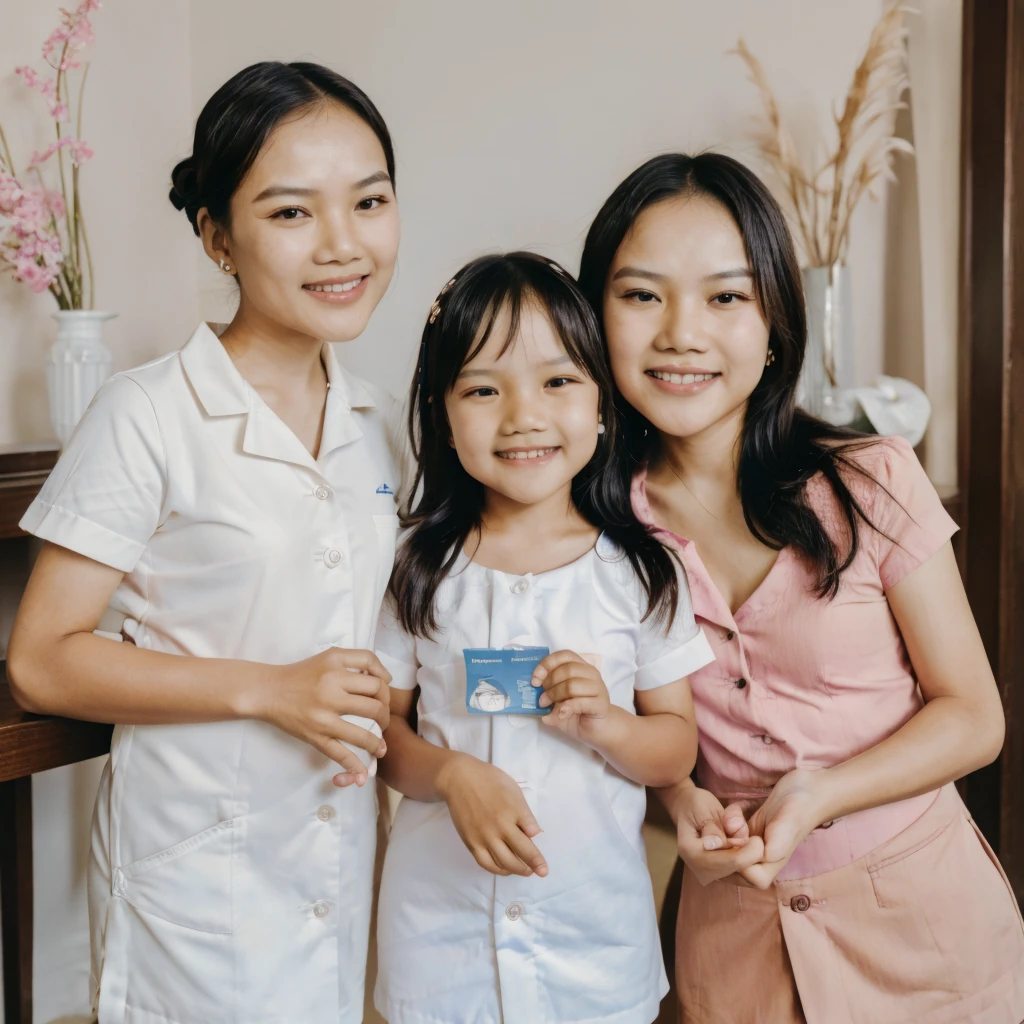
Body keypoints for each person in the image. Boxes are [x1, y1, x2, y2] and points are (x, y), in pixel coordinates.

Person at [578, 151, 1024, 1024]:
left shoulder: (871, 479)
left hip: (928, 931)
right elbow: (635, 736)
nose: (681, 332)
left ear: (775, 320)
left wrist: (824, 791)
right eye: (641, 295)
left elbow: (975, 716)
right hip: (735, 941)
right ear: (595, 317)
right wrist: (681, 804)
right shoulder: (591, 534)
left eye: (726, 296)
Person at [8, 61, 402, 1024]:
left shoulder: (378, 416)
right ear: (218, 237)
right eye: (291, 213)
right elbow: (42, 662)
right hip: (200, 874)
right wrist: (269, 688)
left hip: (341, 852)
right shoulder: (145, 412)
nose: (342, 244)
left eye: (370, 200)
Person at [372, 252, 714, 1024]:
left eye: (558, 381)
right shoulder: (416, 565)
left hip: (592, 945)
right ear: (443, 412)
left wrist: (608, 725)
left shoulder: (643, 569)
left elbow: (677, 747)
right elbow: (384, 731)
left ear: (601, 401)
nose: (523, 415)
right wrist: (453, 775)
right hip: (441, 938)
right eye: (484, 389)